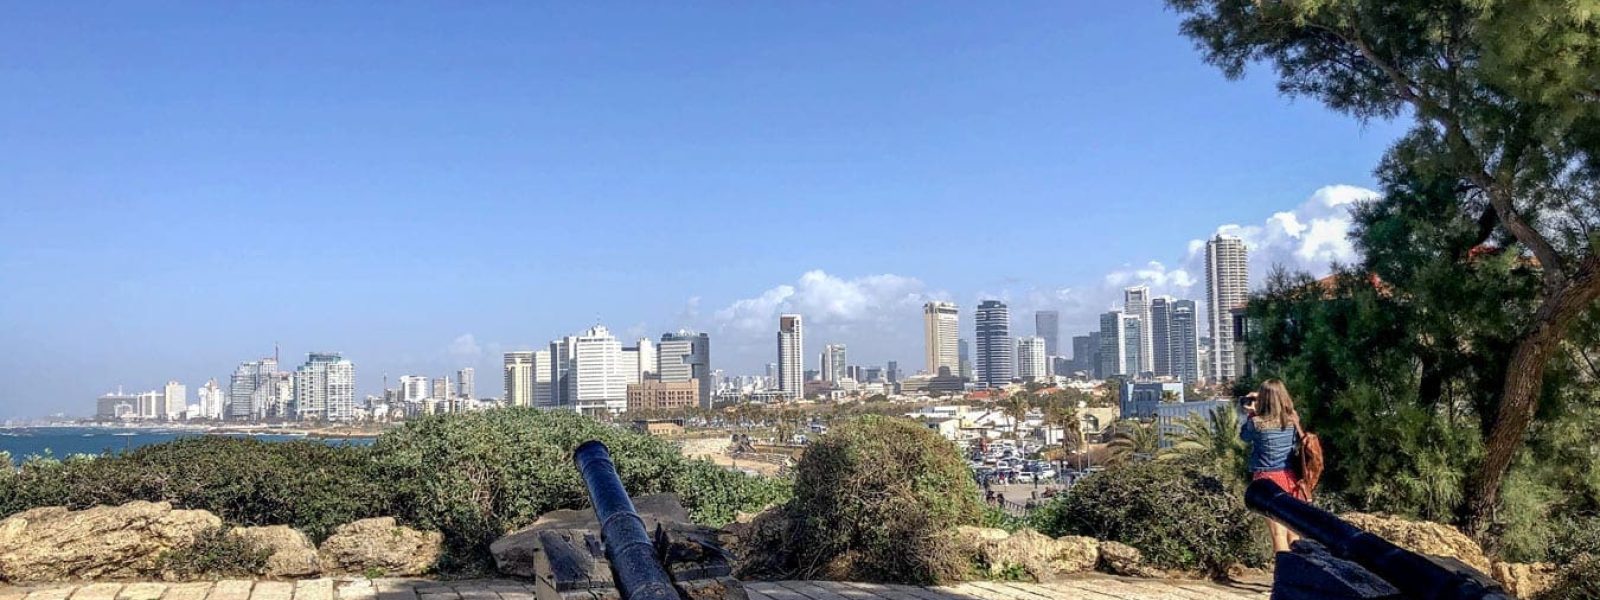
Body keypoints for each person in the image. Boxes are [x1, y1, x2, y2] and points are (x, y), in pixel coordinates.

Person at [1240, 378, 1307, 553]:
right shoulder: (1293, 419)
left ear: (1264, 399)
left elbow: (1244, 437)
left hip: (1266, 480)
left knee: (1278, 533)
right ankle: (1300, 573)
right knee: (1293, 531)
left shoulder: (1257, 423)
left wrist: (1251, 413)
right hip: (1290, 478)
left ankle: (1284, 575)